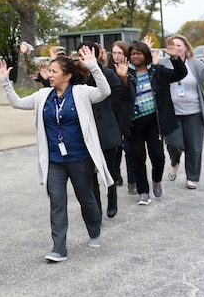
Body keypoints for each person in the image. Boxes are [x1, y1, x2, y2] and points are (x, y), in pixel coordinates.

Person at [0, 47, 112, 262]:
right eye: (49, 71)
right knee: (57, 202)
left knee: (86, 198)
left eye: (54, 72)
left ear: (67, 76)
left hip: (79, 158)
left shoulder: (81, 92)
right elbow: (18, 103)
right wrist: (4, 81)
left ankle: (94, 230)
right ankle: (59, 248)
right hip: (54, 160)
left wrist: (94, 66)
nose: (49, 75)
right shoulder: (43, 96)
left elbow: (104, 92)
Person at [125, 37, 187, 206]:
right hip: (134, 124)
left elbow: (180, 74)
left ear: (146, 55)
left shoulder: (157, 71)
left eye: (139, 54)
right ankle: (143, 192)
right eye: (133, 54)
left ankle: (156, 180)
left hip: (154, 122)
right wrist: (121, 78)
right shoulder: (125, 74)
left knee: (158, 156)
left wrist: (175, 58)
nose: (136, 57)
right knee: (138, 158)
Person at [78, 42, 130, 218]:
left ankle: (113, 198)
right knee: (90, 175)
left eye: (88, 53)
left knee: (110, 170)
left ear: (97, 54)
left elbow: (120, 98)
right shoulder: (76, 77)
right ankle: (96, 209)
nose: (84, 58)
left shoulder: (108, 74)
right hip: (86, 132)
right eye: (81, 54)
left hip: (107, 128)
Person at [160, 35, 204, 190]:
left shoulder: (195, 63)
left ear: (186, 47)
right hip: (172, 114)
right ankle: (174, 161)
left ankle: (192, 177)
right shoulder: (163, 63)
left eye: (180, 45)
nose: (177, 48)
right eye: (174, 45)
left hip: (194, 112)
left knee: (194, 147)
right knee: (174, 144)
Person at [110, 41, 136, 194]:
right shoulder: (107, 71)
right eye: (114, 53)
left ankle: (132, 181)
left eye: (120, 53)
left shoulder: (132, 70)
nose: (117, 56)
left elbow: (130, 95)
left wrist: (124, 77)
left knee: (130, 149)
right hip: (112, 114)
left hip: (128, 114)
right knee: (116, 149)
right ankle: (115, 172)